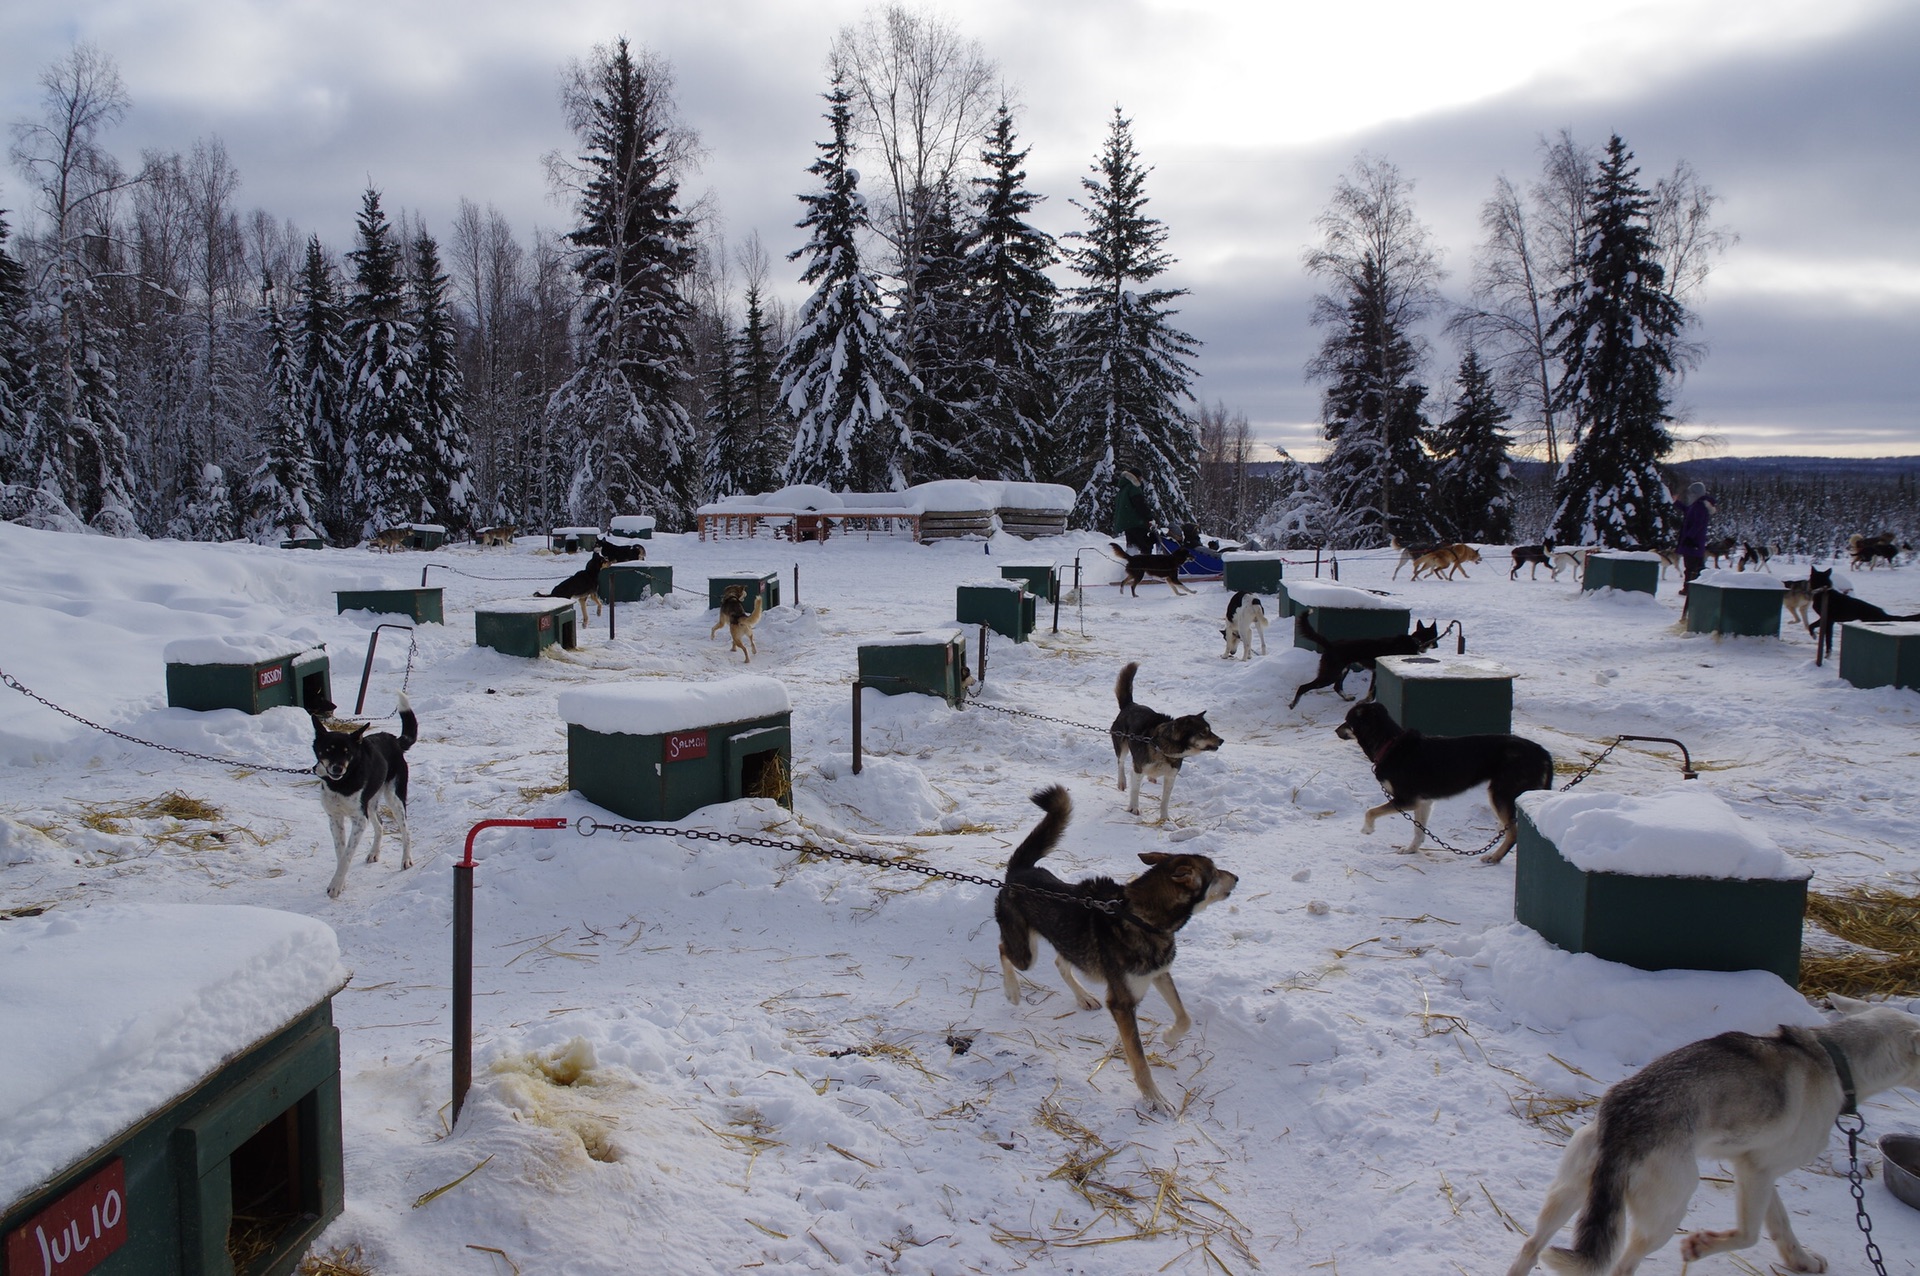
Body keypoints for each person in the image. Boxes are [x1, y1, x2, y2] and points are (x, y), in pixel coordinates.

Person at [1676, 480, 1716, 593]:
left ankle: (1689, 589)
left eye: (1690, 493)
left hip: (1693, 544)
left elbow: (1698, 524)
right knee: (1696, 566)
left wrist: (1689, 537)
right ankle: (1696, 588)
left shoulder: (1699, 507)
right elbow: (1688, 511)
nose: (1689, 495)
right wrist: (1677, 503)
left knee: (1691, 567)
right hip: (1695, 544)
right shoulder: (1697, 505)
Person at [1112, 469, 1157, 553]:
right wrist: (1149, 516)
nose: (1141, 480)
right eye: (1140, 477)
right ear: (1136, 477)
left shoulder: (1123, 490)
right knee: (1145, 548)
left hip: (1127, 524)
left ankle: (1132, 565)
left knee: (1132, 549)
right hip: (1137, 523)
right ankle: (1145, 565)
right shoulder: (1133, 487)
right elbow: (1140, 505)